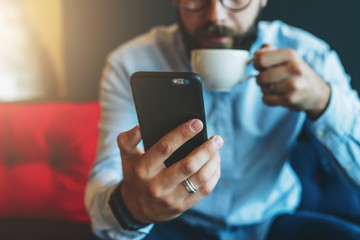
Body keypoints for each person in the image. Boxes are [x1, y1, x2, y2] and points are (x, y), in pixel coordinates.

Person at [85, 0, 360, 239]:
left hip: (276, 220)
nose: (216, 15)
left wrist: (325, 101)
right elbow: (104, 179)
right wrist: (130, 206)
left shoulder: (310, 56)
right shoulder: (130, 62)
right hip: (174, 224)